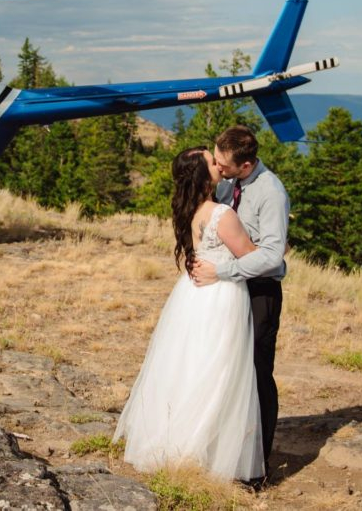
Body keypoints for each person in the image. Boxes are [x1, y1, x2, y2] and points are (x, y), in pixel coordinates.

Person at [114, 147, 264, 481]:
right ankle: (205, 451)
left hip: (192, 295)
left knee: (188, 364)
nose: (219, 163)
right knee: (219, 368)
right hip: (220, 295)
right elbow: (252, 258)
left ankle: (175, 441)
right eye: (212, 162)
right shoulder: (221, 215)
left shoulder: (189, 210)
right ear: (201, 173)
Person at [191, 125, 289, 478]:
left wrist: (223, 271)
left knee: (258, 373)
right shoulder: (231, 184)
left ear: (245, 166)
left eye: (222, 164)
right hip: (231, 292)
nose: (217, 167)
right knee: (229, 369)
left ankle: (256, 466)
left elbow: (272, 257)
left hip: (260, 291)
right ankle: (226, 449)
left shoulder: (271, 193)